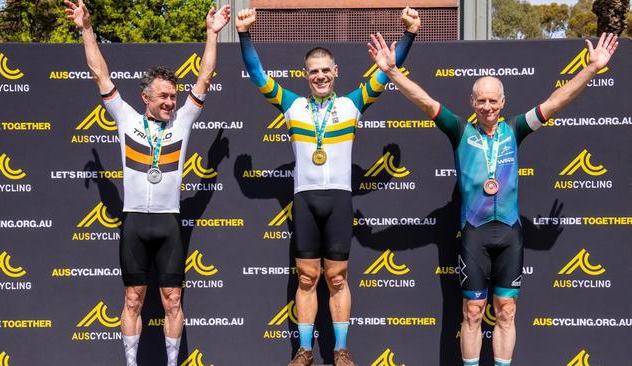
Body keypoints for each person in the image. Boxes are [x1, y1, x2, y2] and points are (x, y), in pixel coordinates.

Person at [367, 30, 618, 366]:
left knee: (507, 310)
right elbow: (425, 101)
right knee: (472, 312)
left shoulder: (515, 129)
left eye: (492, 100)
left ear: (503, 102)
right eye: (481, 100)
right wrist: (392, 71)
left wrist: (591, 69)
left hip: (510, 234)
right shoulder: (459, 131)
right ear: (473, 103)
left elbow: (556, 100)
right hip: (475, 233)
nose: (487, 106)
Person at [235, 7, 419, 366]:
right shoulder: (293, 105)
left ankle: (340, 350)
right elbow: (257, 75)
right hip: (304, 201)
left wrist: (409, 34)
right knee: (307, 278)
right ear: (305, 75)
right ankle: (304, 351)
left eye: (325, 71)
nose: (320, 77)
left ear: (336, 73)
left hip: (338, 200)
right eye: (313, 72)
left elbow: (385, 71)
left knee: (337, 277)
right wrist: (243, 33)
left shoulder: (352, 104)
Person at [63, 1, 230, 365]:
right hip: (135, 220)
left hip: (168, 222)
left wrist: (212, 33)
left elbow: (205, 76)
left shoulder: (182, 122)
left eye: (173, 95)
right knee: (133, 299)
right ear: (146, 99)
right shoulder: (125, 119)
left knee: (172, 300)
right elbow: (100, 75)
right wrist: (86, 29)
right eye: (164, 96)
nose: (171, 101)